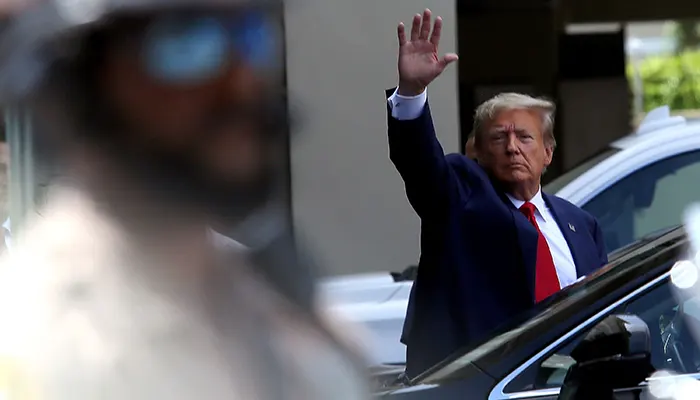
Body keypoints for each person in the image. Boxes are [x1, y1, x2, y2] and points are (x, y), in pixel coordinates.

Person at [0, 1, 370, 399]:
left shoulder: (280, 306)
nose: (241, 81)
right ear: (76, 81)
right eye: (186, 41)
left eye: (248, 34)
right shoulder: (38, 342)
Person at [387, 9, 608, 377]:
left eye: (524, 137)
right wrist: (412, 93)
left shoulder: (580, 224)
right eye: (498, 137)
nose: (512, 148)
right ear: (476, 150)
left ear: (547, 152)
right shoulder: (459, 195)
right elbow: (420, 164)